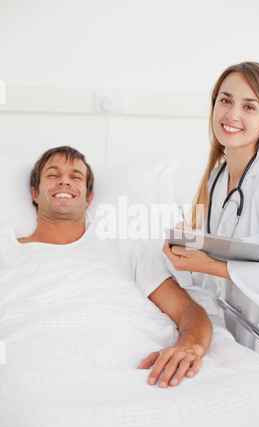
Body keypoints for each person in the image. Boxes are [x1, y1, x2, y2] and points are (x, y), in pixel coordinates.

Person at [5, 145, 212, 388]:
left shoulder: (124, 247)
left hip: (139, 362)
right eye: (52, 175)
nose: (64, 181)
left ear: (89, 197)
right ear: (35, 194)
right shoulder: (5, 248)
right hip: (31, 360)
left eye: (75, 177)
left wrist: (188, 347)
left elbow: (188, 310)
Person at [163, 62, 259, 365]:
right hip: (241, 335)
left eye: (249, 106)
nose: (232, 114)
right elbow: (222, 259)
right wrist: (188, 252)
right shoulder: (217, 177)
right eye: (225, 100)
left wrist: (213, 266)